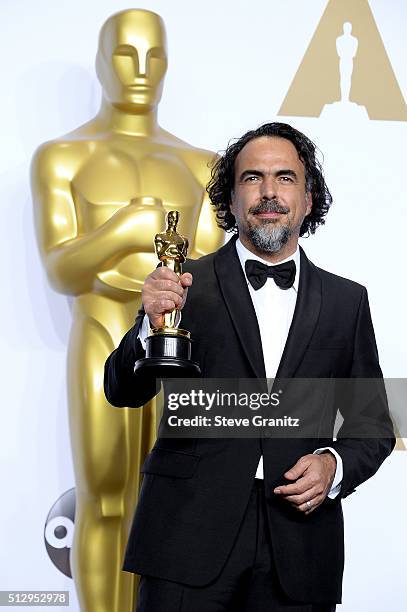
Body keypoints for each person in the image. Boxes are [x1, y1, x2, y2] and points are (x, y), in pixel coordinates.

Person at [104, 122, 395, 611]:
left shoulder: (348, 301)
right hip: (186, 537)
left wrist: (333, 465)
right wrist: (148, 329)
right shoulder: (182, 284)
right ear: (231, 200)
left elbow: (374, 426)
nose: (268, 192)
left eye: (285, 178)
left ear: (307, 198)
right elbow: (120, 389)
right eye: (251, 178)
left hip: (301, 545)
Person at [31, 8, 223, 612]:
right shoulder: (62, 157)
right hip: (102, 326)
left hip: (184, 344)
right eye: (125, 54)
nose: (141, 70)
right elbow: (62, 268)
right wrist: (125, 228)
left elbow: (217, 268)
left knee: (175, 499)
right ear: (99, 62)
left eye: (154, 55)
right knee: (107, 495)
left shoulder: (201, 164)